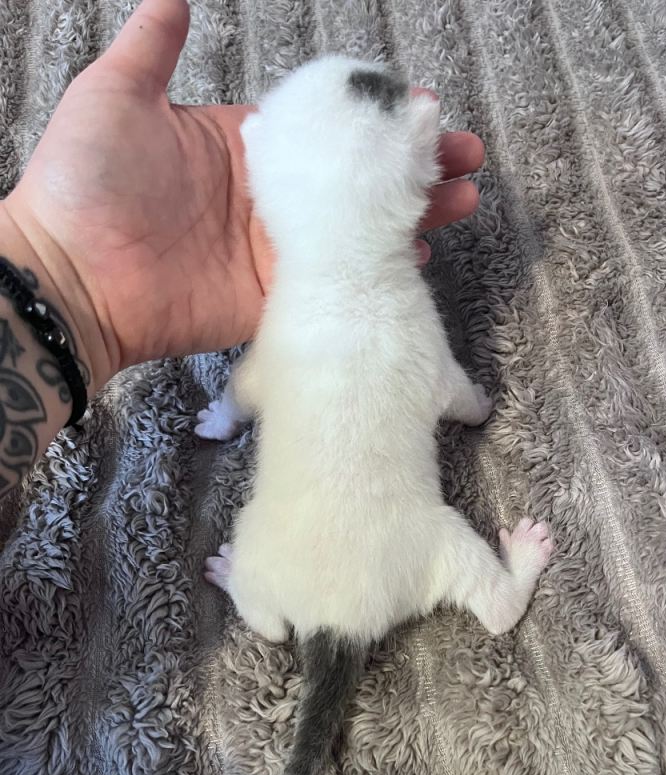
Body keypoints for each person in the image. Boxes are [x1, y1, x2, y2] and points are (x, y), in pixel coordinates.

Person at [0, 0, 484, 499]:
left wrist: (55, 262)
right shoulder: (393, 314)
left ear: (255, 147)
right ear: (421, 148)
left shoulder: (293, 317)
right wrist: (478, 407)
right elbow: (447, 385)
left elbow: (252, 385)